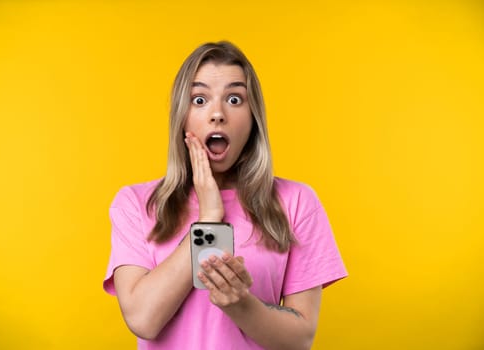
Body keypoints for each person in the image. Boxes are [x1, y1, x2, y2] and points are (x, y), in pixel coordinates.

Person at [103, 41, 347, 350]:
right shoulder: (136, 203)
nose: (217, 114)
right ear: (182, 115)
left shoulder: (297, 202)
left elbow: (300, 339)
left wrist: (240, 304)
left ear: (253, 118)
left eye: (234, 99)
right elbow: (143, 320)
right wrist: (208, 220)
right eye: (200, 99)